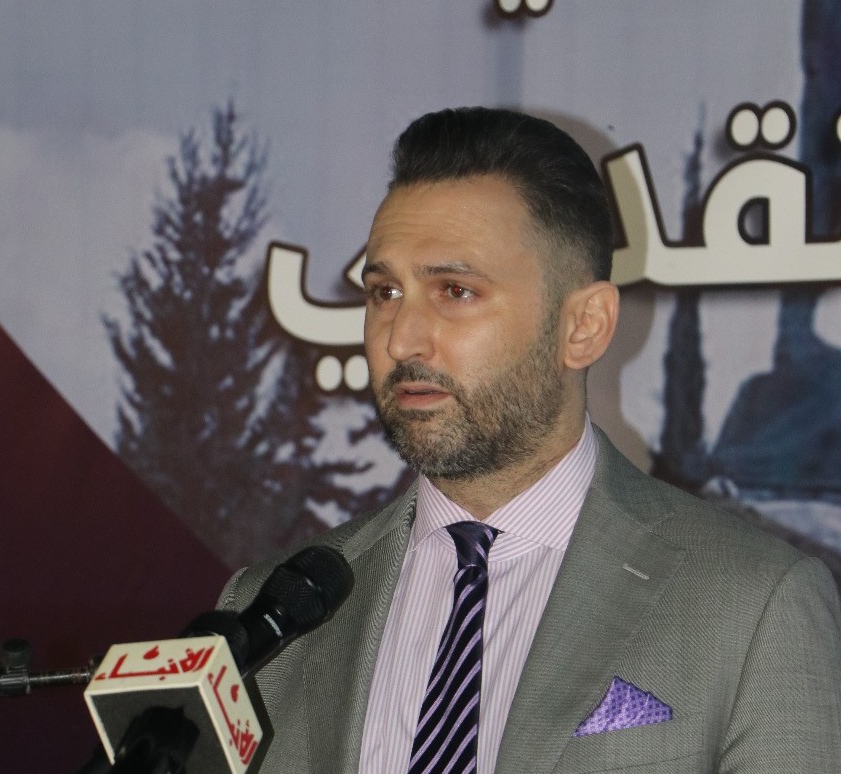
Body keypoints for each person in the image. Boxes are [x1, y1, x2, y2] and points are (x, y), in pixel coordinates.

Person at [219, 107, 841, 773]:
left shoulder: (755, 605)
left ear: (584, 326)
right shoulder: (268, 612)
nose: (400, 339)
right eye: (385, 291)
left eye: (454, 290)